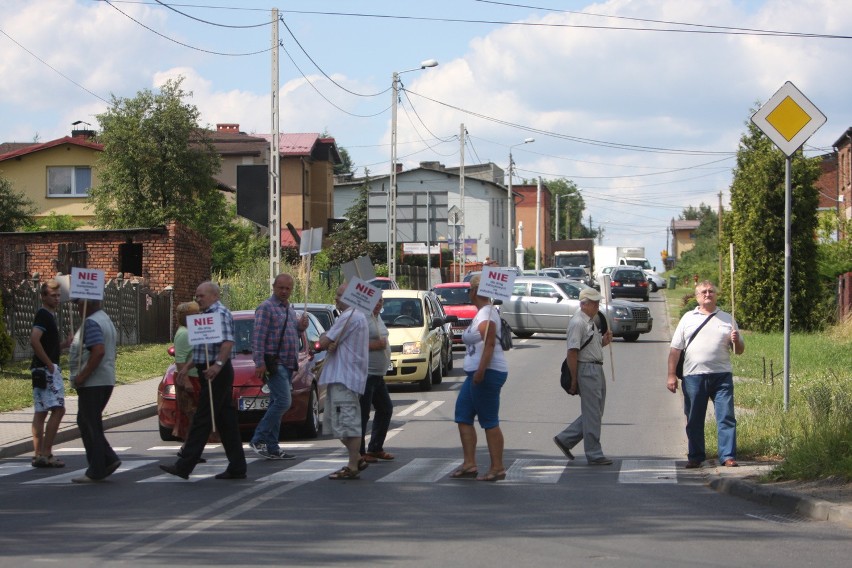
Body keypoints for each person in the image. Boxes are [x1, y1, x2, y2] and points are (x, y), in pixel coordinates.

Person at [160, 281, 247, 480]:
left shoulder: (220, 314)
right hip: (207, 369)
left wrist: (216, 365)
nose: (198, 299)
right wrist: (188, 367)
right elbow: (202, 348)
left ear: (214, 296)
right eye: (196, 295)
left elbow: (227, 343)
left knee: (203, 417)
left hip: (217, 372)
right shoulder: (205, 315)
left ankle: (184, 465)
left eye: (202, 295)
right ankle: (237, 466)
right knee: (226, 421)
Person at [667, 280, 745, 469]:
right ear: (697, 297)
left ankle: (727, 456)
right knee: (694, 417)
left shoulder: (727, 318)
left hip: (721, 375)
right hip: (694, 376)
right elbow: (675, 349)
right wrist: (671, 375)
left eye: (711, 291)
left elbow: (739, 350)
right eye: (704, 292)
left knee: (726, 416)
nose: (708, 294)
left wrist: (736, 340)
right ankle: (695, 456)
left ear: (716, 295)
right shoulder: (688, 318)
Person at [450, 274, 509, 482]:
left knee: (489, 420)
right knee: (463, 415)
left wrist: (482, 371)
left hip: (486, 373)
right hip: (475, 374)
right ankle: (469, 463)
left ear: (475, 292)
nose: (468, 293)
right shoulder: (482, 313)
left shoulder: (486, 314)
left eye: (469, 290)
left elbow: (490, 343)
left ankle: (497, 467)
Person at [249, 273, 308, 460]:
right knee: (284, 402)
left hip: (288, 364)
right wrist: (259, 363)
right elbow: (258, 338)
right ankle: (258, 439)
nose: (284, 291)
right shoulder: (266, 308)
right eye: (281, 287)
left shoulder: (290, 310)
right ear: (274, 287)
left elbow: (292, 335)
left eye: (288, 288)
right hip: (275, 364)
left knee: (277, 403)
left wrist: (300, 328)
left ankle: (273, 447)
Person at [553, 287, 614, 466]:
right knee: (593, 412)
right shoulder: (578, 322)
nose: (597, 305)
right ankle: (594, 453)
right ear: (584, 304)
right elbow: (573, 352)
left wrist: (604, 342)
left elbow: (589, 348)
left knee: (595, 411)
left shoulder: (590, 321)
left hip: (595, 367)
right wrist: (574, 379)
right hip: (587, 369)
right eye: (594, 303)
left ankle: (566, 439)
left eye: (597, 302)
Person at [317, 283, 369, 480]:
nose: (336, 298)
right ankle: (355, 460)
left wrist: (324, 339)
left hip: (344, 378)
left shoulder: (349, 317)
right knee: (336, 423)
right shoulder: (357, 316)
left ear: (351, 297)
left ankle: (354, 462)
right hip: (344, 377)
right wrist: (330, 343)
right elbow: (331, 343)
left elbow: (322, 342)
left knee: (346, 423)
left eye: (340, 295)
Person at [69, 299, 121, 483]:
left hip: (93, 381)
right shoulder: (104, 318)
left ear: (87, 304)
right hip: (105, 378)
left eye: (78, 304)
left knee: (90, 424)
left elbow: (98, 351)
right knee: (87, 421)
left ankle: (97, 468)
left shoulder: (91, 322)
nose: (76, 307)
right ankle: (107, 460)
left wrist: (83, 375)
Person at [29, 279, 72, 468]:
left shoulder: (48, 316)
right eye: (52, 296)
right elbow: (34, 340)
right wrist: (49, 364)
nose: (56, 299)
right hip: (46, 370)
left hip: (40, 369)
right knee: (58, 409)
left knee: (41, 412)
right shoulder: (44, 315)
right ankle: (46, 453)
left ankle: (38, 454)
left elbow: (48, 345)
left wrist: (63, 345)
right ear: (43, 296)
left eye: (58, 295)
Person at [172, 300, 214, 459]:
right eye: (195, 314)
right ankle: (188, 449)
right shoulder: (184, 333)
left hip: (197, 377)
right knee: (191, 415)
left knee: (196, 415)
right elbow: (180, 359)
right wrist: (187, 381)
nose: (199, 316)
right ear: (186, 317)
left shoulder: (192, 331)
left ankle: (190, 449)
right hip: (189, 378)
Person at [359, 295, 394, 464]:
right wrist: (373, 346)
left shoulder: (377, 317)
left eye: (381, 301)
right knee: (363, 414)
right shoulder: (362, 318)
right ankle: (359, 452)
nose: (378, 303)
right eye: (374, 300)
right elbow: (353, 344)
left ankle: (375, 448)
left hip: (378, 375)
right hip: (366, 373)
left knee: (385, 409)